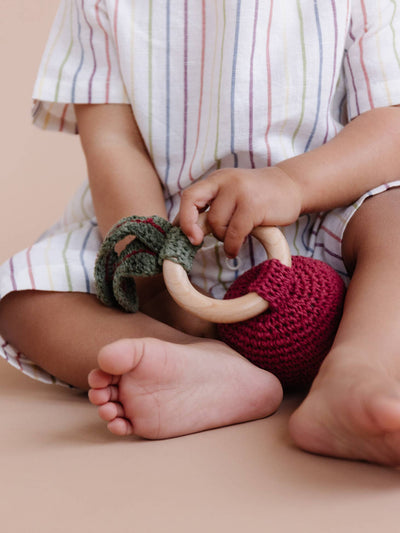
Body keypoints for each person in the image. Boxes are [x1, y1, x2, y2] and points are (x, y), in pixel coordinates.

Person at [1, 0, 400, 466]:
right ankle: (200, 361)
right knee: (25, 297)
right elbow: (114, 141)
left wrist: (292, 182)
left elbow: (388, 123)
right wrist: (156, 286)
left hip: (326, 213)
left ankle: (358, 364)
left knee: (393, 218)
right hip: (168, 235)